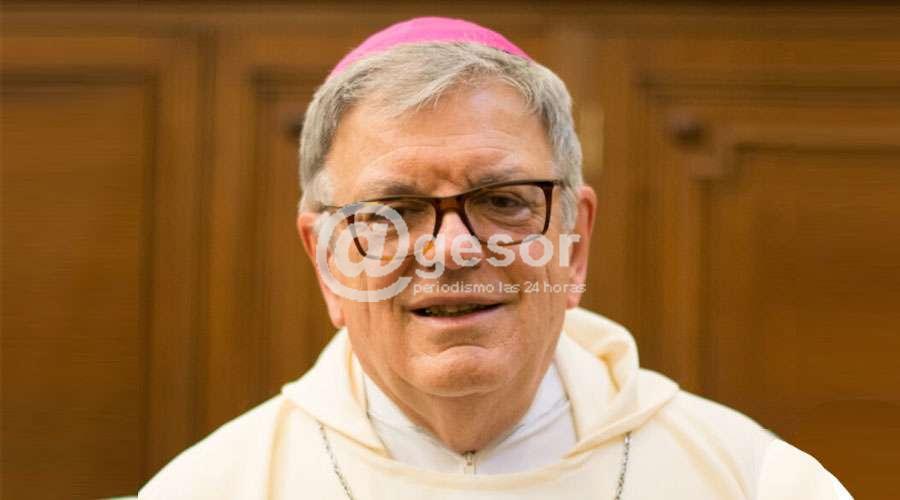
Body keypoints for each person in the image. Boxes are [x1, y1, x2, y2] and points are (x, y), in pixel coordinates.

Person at [139, 17, 852, 499]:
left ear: (575, 243)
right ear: (328, 260)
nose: (452, 250)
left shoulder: (756, 482)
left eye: (503, 200)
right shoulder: (209, 487)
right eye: (395, 210)